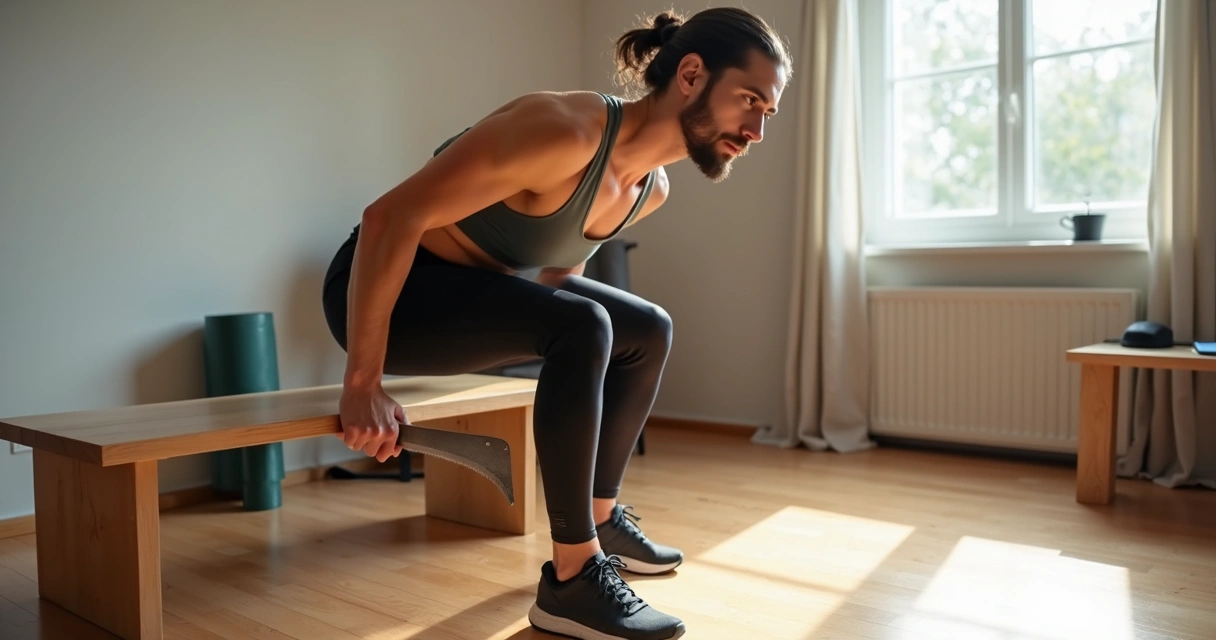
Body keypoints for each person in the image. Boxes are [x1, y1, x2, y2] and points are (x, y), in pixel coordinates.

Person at [321, 6, 790, 639]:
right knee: (587, 324)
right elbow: (388, 218)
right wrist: (362, 383)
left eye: (769, 111)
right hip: (391, 289)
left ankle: (599, 518)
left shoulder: (648, 190)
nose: (758, 129)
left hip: (471, 292)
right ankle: (573, 579)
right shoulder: (564, 131)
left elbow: (553, 276)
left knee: (647, 327)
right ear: (691, 73)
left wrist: (577, 327)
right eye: (750, 101)